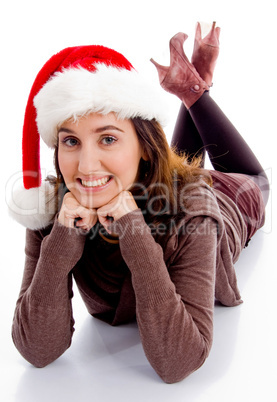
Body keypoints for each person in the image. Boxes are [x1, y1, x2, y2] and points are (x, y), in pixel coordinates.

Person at [9, 22, 269, 384]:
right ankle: (188, 91)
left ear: (144, 146)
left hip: (223, 200)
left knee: (258, 182)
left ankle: (195, 94)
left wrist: (133, 229)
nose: (85, 167)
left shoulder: (194, 214)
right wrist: (62, 239)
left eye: (108, 139)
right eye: (71, 142)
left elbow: (178, 363)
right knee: (175, 164)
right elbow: (36, 350)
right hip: (158, 177)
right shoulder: (55, 210)